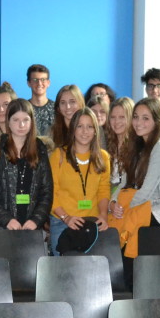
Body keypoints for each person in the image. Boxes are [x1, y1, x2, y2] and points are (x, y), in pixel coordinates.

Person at [106, 98, 160, 263]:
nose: (138, 122)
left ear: (157, 121)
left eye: (145, 118)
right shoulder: (137, 144)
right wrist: (114, 203)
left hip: (154, 213)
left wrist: (123, 208)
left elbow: (146, 192)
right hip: (134, 209)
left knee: (141, 268)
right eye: (136, 117)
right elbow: (125, 180)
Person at [0, 98, 53, 232]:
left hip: (32, 227)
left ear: (32, 122)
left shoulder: (40, 149)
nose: (21, 125)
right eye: (16, 120)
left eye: (25, 120)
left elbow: (47, 190)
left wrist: (36, 219)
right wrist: (6, 219)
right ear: (8, 122)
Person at [48, 108, 112, 254]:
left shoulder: (103, 157)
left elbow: (103, 190)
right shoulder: (59, 155)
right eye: (80, 126)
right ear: (73, 130)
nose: (85, 131)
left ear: (95, 130)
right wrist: (66, 217)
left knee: (90, 273)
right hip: (62, 222)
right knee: (64, 273)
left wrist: (103, 215)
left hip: (92, 222)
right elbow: (51, 192)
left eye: (89, 127)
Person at [105, 97, 136, 199]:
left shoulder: (137, 148)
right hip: (110, 202)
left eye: (122, 117)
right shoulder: (107, 144)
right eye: (113, 117)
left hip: (130, 202)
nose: (116, 121)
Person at [27, 64, 54, 135]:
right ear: (29, 83)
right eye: (35, 80)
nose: (39, 83)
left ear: (48, 83)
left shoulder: (57, 108)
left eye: (43, 80)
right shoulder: (23, 108)